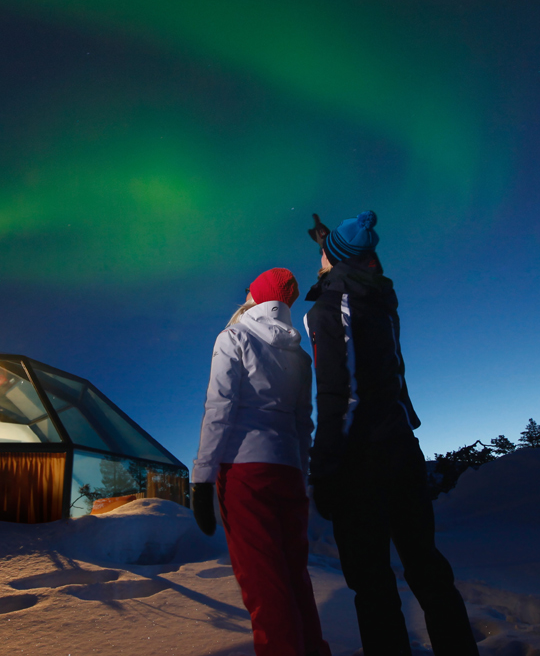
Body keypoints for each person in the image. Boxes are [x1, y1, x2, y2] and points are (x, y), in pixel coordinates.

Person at [304, 211, 480, 656]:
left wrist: (324, 468)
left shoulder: (331, 307)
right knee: (427, 568)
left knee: (373, 584)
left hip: (362, 460)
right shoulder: (378, 299)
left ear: (335, 259)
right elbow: (353, 268)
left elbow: (339, 394)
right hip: (403, 448)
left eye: (323, 255)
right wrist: (331, 245)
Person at [191, 268, 331, 656]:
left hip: (244, 471)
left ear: (254, 295)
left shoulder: (233, 337)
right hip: (287, 471)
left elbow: (219, 408)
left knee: (263, 583)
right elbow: (304, 423)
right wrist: (301, 476)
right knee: (294, 577)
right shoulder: (299, 356)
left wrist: (202, 478)